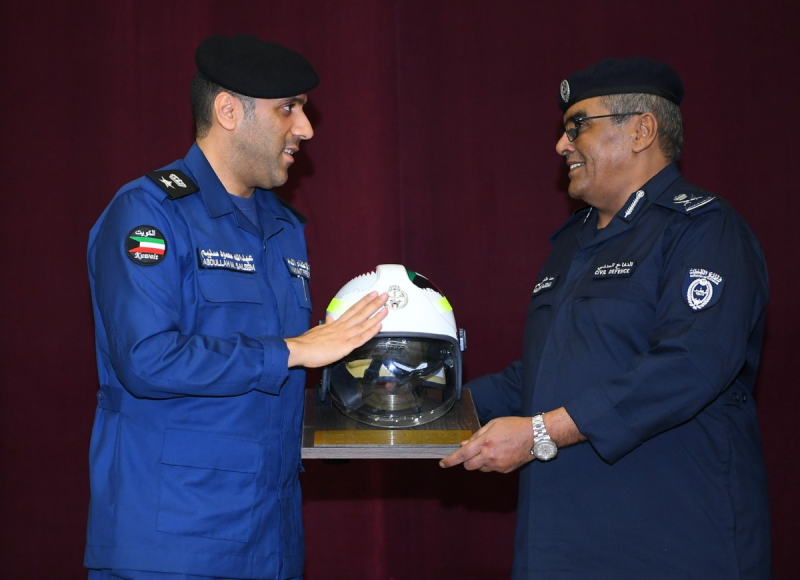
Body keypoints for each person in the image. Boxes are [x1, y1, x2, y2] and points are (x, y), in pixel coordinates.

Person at [440, 57, 771, 578]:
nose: (561, 144)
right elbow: (545, 372)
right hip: (562, 543)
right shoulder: (571, 243)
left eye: (578, 126)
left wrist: (540, 433)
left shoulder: (703, 230)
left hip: (669, 539)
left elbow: (691, 363)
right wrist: (428, 410)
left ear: (641, 130)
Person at [85, 34, 388, 580]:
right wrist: (292, 350)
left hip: (271, 538)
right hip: (174, 544)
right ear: (228, 111)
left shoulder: (285, 227)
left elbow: (277, 382)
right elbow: (147, 359)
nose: (306, 128)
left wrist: (376, 404)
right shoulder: (150, 214)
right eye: (288, 109)